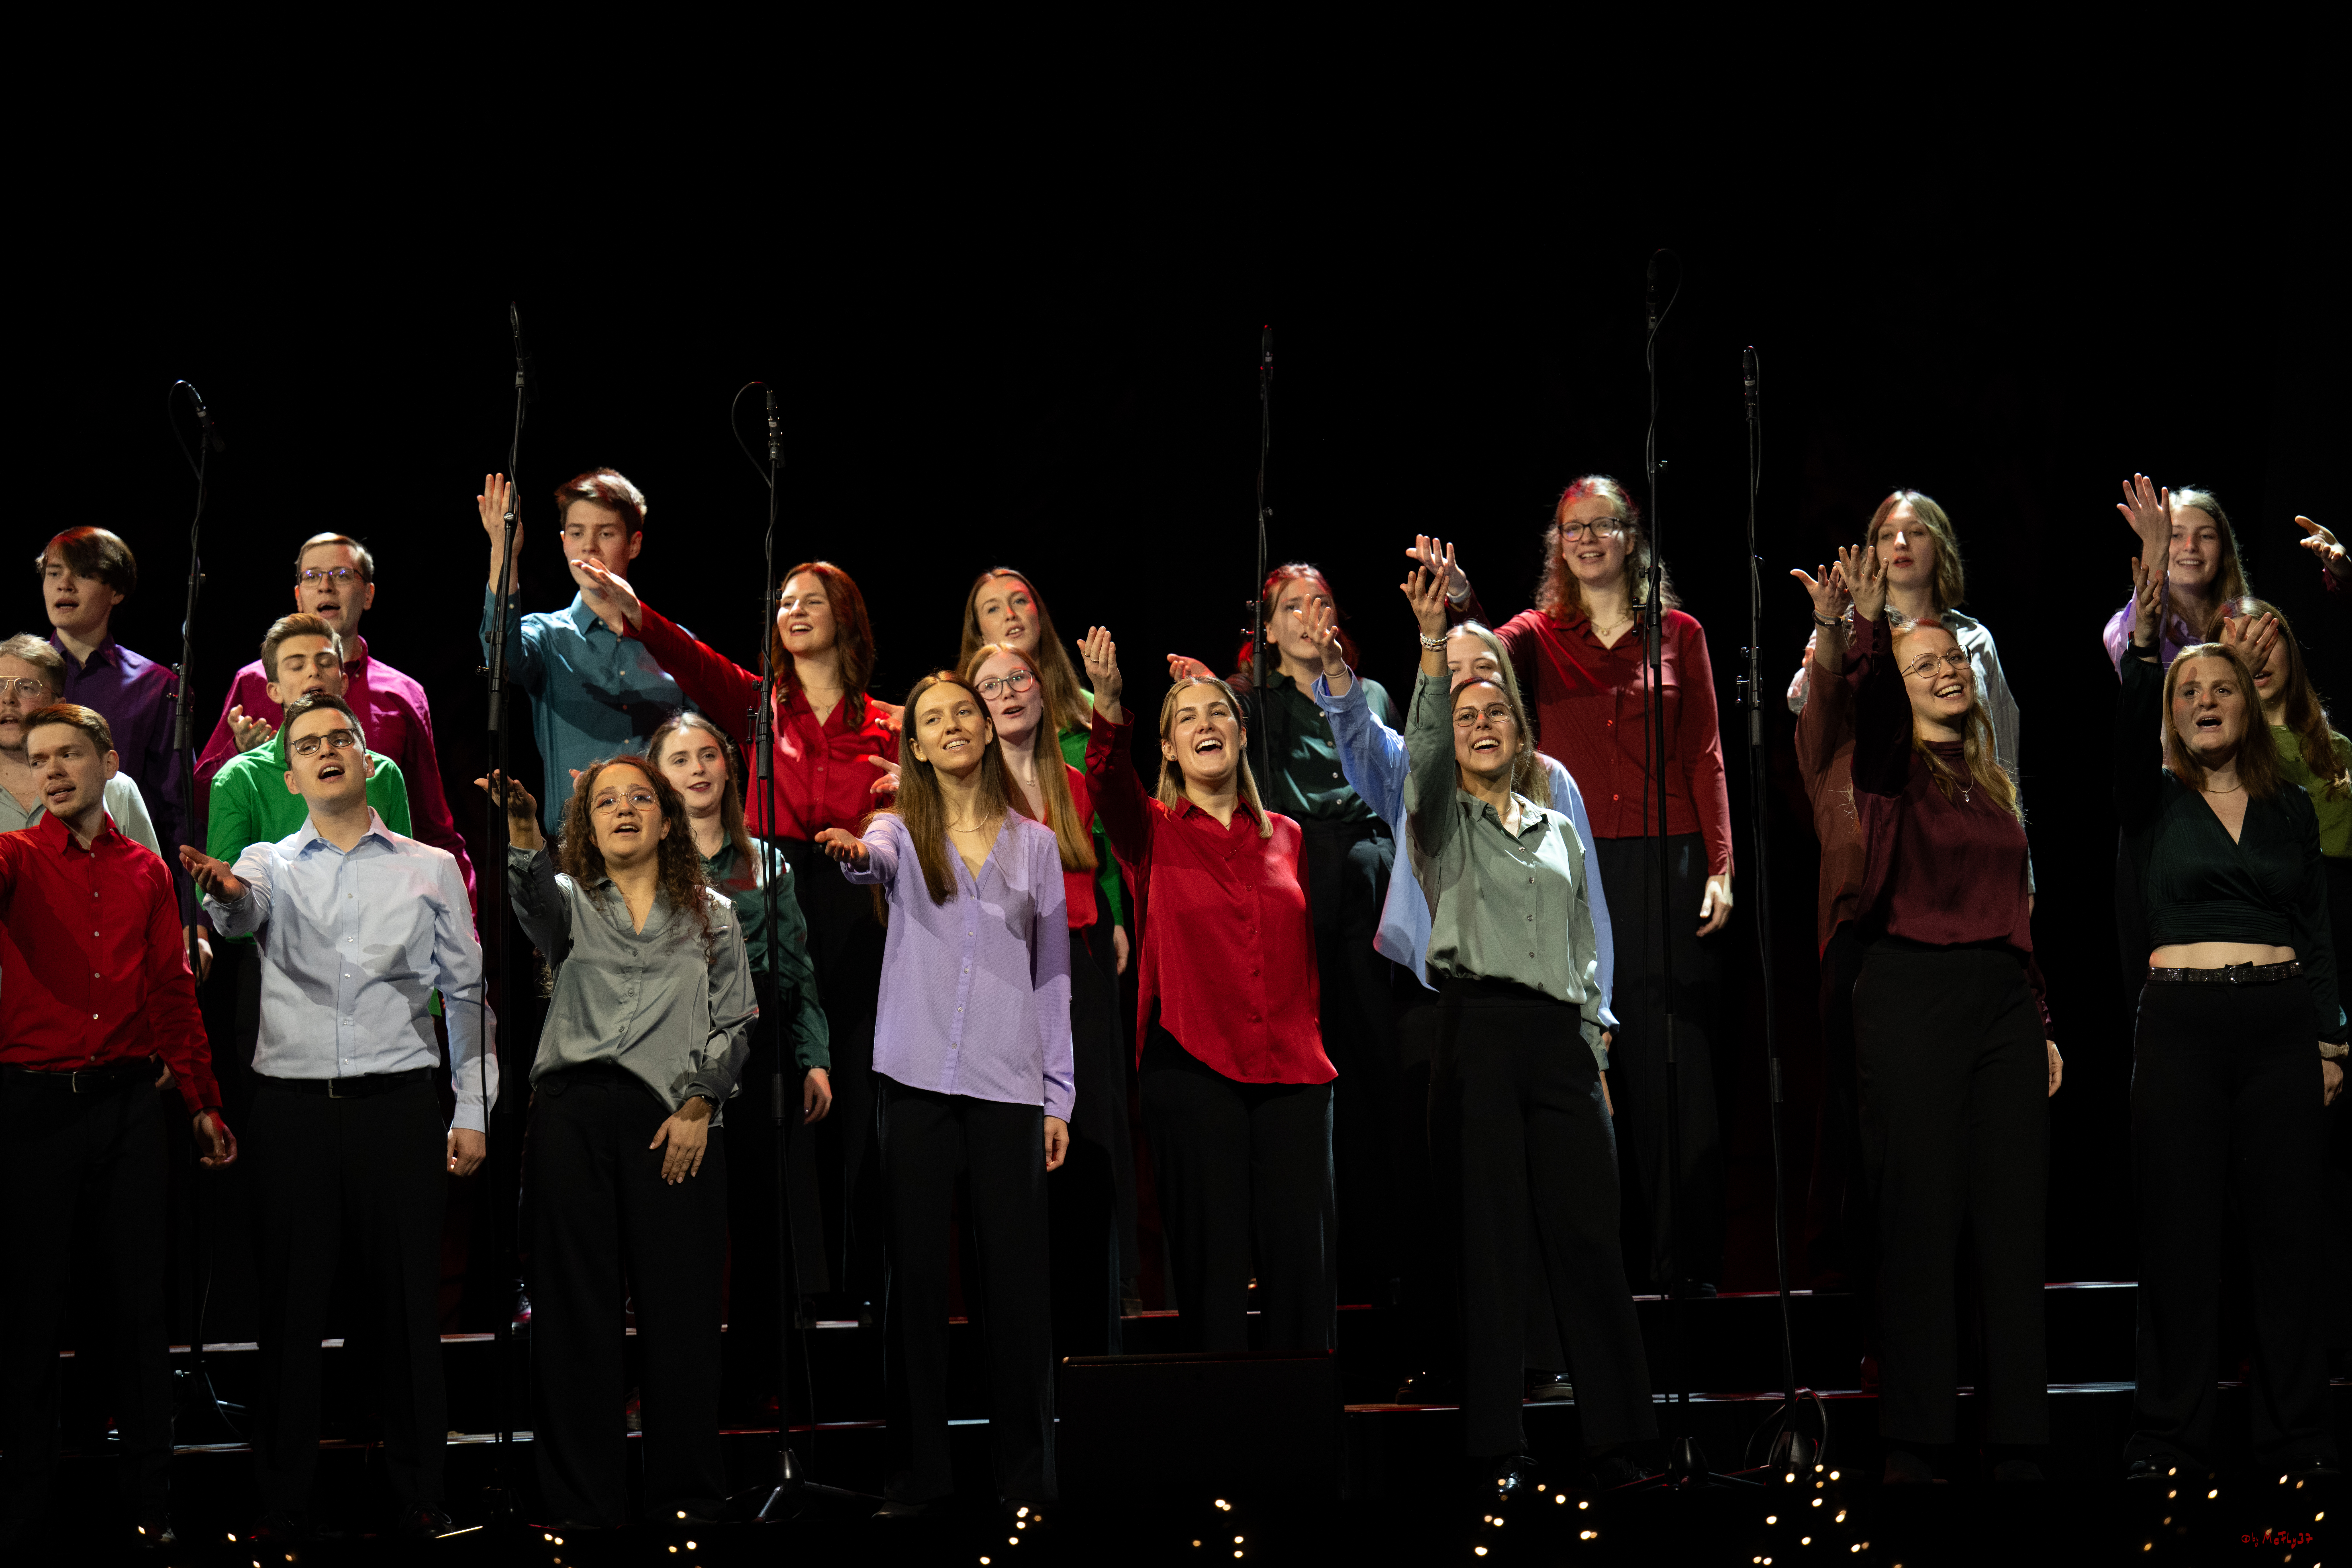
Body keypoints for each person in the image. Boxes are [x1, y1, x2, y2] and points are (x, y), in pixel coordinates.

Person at [179, 693, 491, 1545]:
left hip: (398, 1109)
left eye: (339, 740)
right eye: (306, 744)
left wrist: (474, 1108)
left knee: (404, 1313)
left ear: (367, 760)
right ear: (290, 773)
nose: (325, 752)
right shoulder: (268, 861)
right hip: (293, 1115)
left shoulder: (428, 866)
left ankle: (421, 1495)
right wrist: (224, 894)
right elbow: (240, 915)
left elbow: (465, 994)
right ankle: (283, 1501)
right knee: (288, 1311)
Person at [1418, 475, 1734, 1294]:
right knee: (1584, 1065)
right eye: (1571, 529)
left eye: (1602, 525)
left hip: (1668, 863)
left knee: (1672, 1072)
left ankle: (1682, 1275)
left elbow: (1705, 750)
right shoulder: (1532, 636)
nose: (1587, 539)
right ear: (1557, 547)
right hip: (1566, 867)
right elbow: (1480, 661)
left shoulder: (1682, 634)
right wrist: (1460, 604)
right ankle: (1593, 1280)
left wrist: (1725, 865)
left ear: (1633, 537)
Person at [567, 552, 897, 1307]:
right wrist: (635, 611)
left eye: (812, 599)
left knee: (854, 1090)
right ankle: (795, 1294)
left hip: (856, 907)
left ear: (845, 616)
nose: (794, 610)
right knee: (776, 1103)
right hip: (766, 887)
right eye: (783, 601)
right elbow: (693, 658)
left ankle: (859, 1293)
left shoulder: (889, 722)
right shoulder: (756, 706)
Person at [1308, 604, 1615, 1404]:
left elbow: (1592, 921)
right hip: (1447, 1006)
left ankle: (1567, 1378)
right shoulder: (1425, 781)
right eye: (1457, 688)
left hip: (1553, 1021)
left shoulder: (1554, 789)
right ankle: (1476, 1380)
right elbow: (1366, 745)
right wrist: (1367, 672)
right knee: (1466, 1207)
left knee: (1568, 1214)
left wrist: (1599, 1029)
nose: (1474, 701)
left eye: (1489, 686)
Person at [1393, 561, 1655, 1487]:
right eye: (1464, 716)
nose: (1478, 725)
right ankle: (1494, 1446)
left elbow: (1590, 934)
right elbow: (1419, 755)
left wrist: (1596, 1040)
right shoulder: (1436, 820)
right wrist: (1435, 647)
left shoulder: (1558, 823)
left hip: (1560, 1042)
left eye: (1492, 712)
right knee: (1492, 1242)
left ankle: (1620, 1440)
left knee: (1588, 1235)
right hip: (1477, 1036)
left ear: (1518, 725)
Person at [814, 671, 1071, 1516]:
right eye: (935, 718)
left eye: (966, 711)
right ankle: (919, 1477)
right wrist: (856, 856)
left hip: (1007, 1086)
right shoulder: (897, 827)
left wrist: (1057, 1095)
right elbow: (873, 860)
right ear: (916, 744)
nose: (955, 724)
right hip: (917, 1080)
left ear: (985, 730)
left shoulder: (1034, 844)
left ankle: (1026, 1480)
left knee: (1017, 1289)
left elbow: (1053, 979)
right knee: (916, 1287)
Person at [2114, 560, 2345, 1482]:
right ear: (2169, 715)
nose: (2205, 699)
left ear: (2248, 707)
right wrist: (2141, 643)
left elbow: (2316, 929)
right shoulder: (2149, 806)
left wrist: (2331, 1037)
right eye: (2187, 691)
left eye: (2222, 687)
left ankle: (2296, 1434)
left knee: (2289, 1239)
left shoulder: (2288, 807)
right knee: (2177, 1237)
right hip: (2179, 1030)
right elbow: (2126, 718)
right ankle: (2167, 1436)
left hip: (2280, 1028)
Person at [1837, 542, 2061, 1483]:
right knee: (1919, 1216)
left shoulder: (1993, 780)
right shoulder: (1890, 768)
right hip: (1908, 991)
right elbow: (1873, 701)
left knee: (2011, 1220)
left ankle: (2015, 1434)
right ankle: (1916, 1439)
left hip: (2000, 1001)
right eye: (1923, 662)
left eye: (1952, 659)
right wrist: (1867, 631)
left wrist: (2041, 1017)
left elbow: (2016, 909)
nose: (1944, 670)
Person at [483, 757, 753, 1528]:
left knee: (684, 1313)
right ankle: (582, 1506)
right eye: (607, 802)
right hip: (572, 1115)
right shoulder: (568, 902)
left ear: (668, 822)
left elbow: (736, 1022)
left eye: (641, 798)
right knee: (573, 1316)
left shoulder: (713, 913)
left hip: (675, 1122)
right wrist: (523, 830)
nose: (625, 809)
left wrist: (701, 1105)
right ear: (587, 827)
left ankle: (687, 1501)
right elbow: (528, 895)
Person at [0, 704, 235, 1553]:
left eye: (69, 755)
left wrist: (203, 1101)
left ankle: (150, 1503)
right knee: (30, 1314)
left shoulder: (145, 872)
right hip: (33, 1110)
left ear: (107, 763)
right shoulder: (15, 858)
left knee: (137, 1309)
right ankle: (23, 1509)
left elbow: (171, 993)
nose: (54, 771)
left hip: (132, 1105)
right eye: (39, 760)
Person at [1783, 490, 2027, 1294]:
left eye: (1916, 530)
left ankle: (1934, 1283)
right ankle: (1849, 1271)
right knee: (1860, 1106)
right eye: (1885, 532)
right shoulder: (1852, 648)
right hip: (1864, 896)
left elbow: (2001, 766)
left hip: (1955, 897)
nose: (1899, 544)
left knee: (1953, 1125)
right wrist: (1843, 629)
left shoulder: (1969, 646)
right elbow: (1815, 716)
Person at [1080, 627, 1336, 1353]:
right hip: (1192, 1066)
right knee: (1213, 1273)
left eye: (1218, 712)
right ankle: (1225, 1444)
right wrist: (1107, 704)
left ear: (1240, 734)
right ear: (1165, 747)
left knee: (1301, 1275)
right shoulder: (1151, 831)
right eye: (1186, 717)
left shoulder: (1286, 835)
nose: (1204, 725)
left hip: (1293, 1071)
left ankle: (1304, 1446)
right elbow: (1105, 781)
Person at [1218, 563, 1407, 1304]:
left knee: (1370, 1057)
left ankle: (1381, 1249)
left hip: (1362, 876)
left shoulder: (1371, 694)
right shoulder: (1252, 708)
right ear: (1266, 631)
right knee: (1300, 1066)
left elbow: (1386, 786)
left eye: (1320, 602)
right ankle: (1298, 1254)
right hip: (1292, 882)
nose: (1307, 615)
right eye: (1291, 607)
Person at [960, 568, 1139, 1304]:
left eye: (1018, 684)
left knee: (1092, 1122)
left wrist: (1116, 918)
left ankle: (1109, 1279)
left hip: (1078, 955)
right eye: (991, 689)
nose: (1007, 695)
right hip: (998, 973)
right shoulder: (963, 789)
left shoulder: (1071, 775)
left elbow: (1114, 810)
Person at [645, 709, 832, 1404]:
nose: (697, 769)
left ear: (729, 768)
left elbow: (796, 967)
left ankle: (761, 1381)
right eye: (680, 759)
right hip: (672, 1052)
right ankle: (680, 1382)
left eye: (708, 756)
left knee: (760, 1216)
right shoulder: (647, 858)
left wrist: (814, 1056)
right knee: (680, 1219)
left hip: (756, 1052)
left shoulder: (766, 862)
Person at [2216, 596, 2352, 1375]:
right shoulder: (2222, 760)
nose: (2260, 650)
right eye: (2241, 641)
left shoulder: (2334, 751)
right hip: (2267, 972)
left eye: (2273, 637)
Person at [196, 532, 475, 904]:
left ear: (369, 593)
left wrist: (462, 922)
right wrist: (242, 753)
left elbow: (430, 823)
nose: (326, 585)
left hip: (377, 908)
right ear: (298, 596)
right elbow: (203, 804)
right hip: (274, 913)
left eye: (342, 575)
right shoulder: (255, 683)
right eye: (312, 576)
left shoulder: (404, 694)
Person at [205, 617, 415, 1102]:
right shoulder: (241, 777)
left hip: (374, 965)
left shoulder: (381, 772)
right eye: (297, 665)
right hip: (273, 971)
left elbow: (408, 878)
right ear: (273, 687)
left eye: (326, 661)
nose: (314, 673)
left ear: (344, 677)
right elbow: (220, 890)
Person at [476, 471, 687, 836]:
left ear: (634, 544)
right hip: (576, 856)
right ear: (563, 542)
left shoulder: (673, 644)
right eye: (577, 533)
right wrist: (504, 553)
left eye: (606, 533)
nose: (590, 546)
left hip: (667, 847)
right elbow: (501, 657)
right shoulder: (546, 636)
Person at [37, 528, 201, 960]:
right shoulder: (20, 680)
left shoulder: (156, 686)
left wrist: (192, 921)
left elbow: (178, 812)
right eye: (54, 573)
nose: (64, 585)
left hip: (120, 894)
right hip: (30, 886)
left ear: (116, 591)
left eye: (82, 574)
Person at [0, 634, 163, 855]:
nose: (8, 698)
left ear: (58, 706)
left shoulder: (113, 787)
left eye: (27, 687)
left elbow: (148, 879)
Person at [2101, 475, 2251, 673]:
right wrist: (2155, 547)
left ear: (2224, 552)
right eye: (2175, 535)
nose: (2191, 546)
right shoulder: (2119, 629)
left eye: (2206, 536)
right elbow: (2136, 669)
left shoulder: (2250, 625)